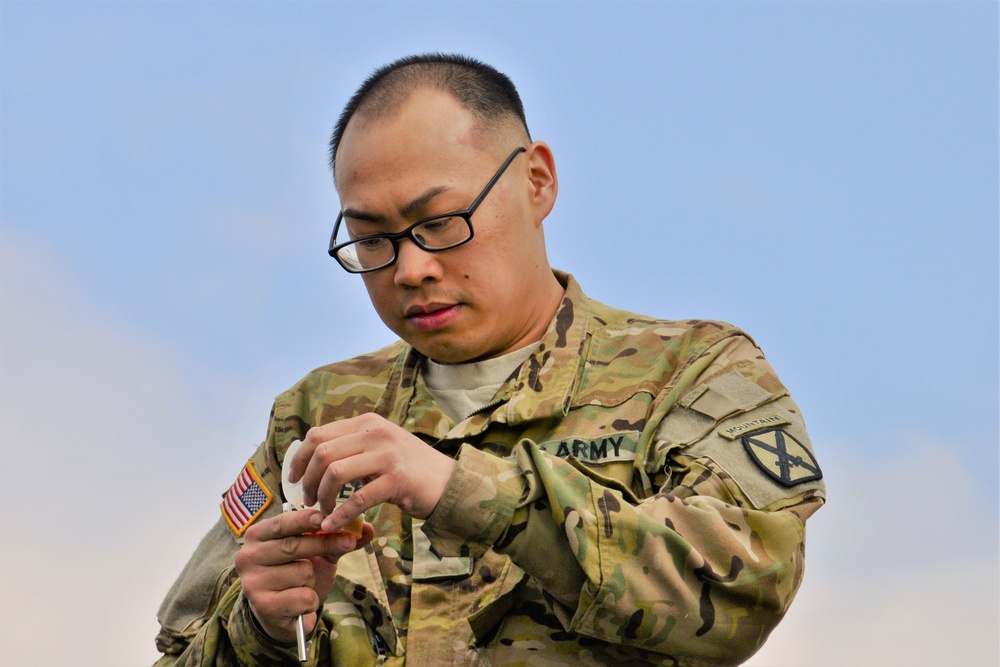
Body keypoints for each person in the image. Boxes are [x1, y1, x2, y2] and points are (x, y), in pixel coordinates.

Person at [154, 53, 825, 667]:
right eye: (372, 240)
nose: (411, 269)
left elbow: (749, 582)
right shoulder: (316, 417)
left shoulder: (691, 374)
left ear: (537, 181)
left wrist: (467, 491)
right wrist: (262, 629)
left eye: (441, 221)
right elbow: (176, 653)